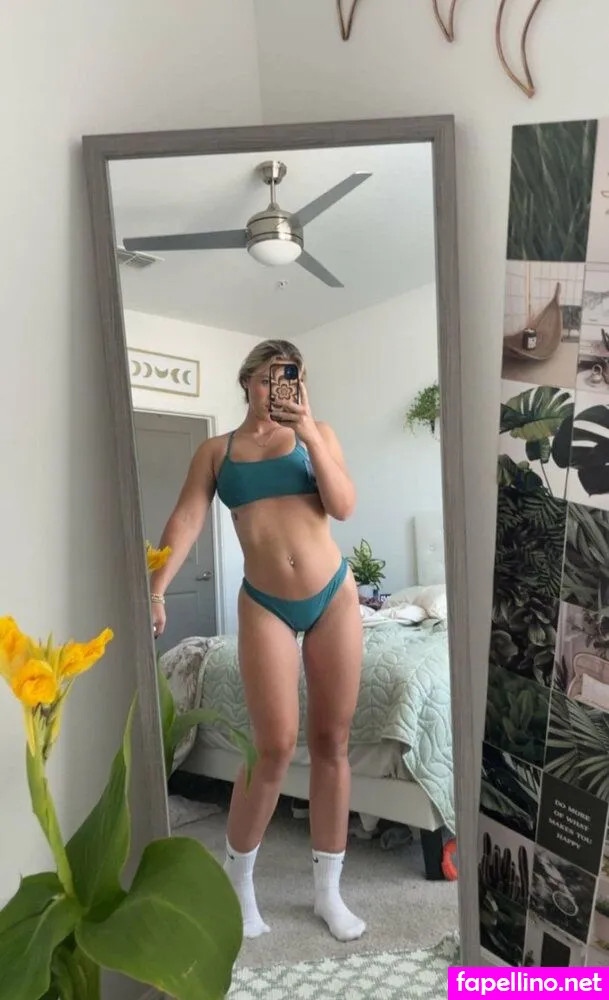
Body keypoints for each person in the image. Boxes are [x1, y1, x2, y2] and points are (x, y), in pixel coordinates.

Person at [149, 339, 365, 943]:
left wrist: (311, 435)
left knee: (333, 741)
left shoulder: (317, 434)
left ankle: (328, 892)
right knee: (273, 747)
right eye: (269, 377)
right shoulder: (217, 452)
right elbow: (186, 519)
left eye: (290, 377)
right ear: (247, 381)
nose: (278, 388)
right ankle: (238, 882)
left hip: (334, 596)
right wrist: (157, 587)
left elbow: (344, 506)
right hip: (265, 603)